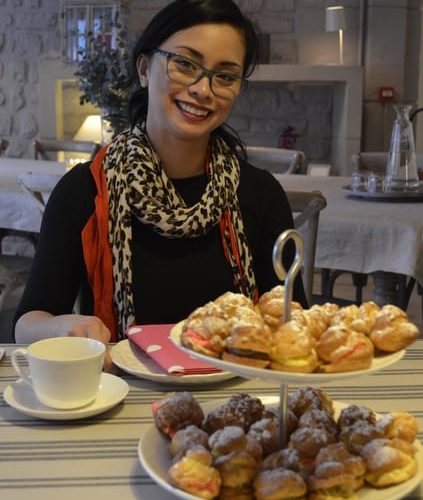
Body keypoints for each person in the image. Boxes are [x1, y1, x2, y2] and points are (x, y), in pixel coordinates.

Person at [14, 0, 307, 370]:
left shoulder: (259, 194)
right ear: (144, 69)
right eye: (185, 64)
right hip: (117, 397)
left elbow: (294, 321)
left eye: (225, 75)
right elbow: (26, 323)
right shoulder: (85, 190)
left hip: (236, 404)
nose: (203, 89)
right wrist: (62, 327)